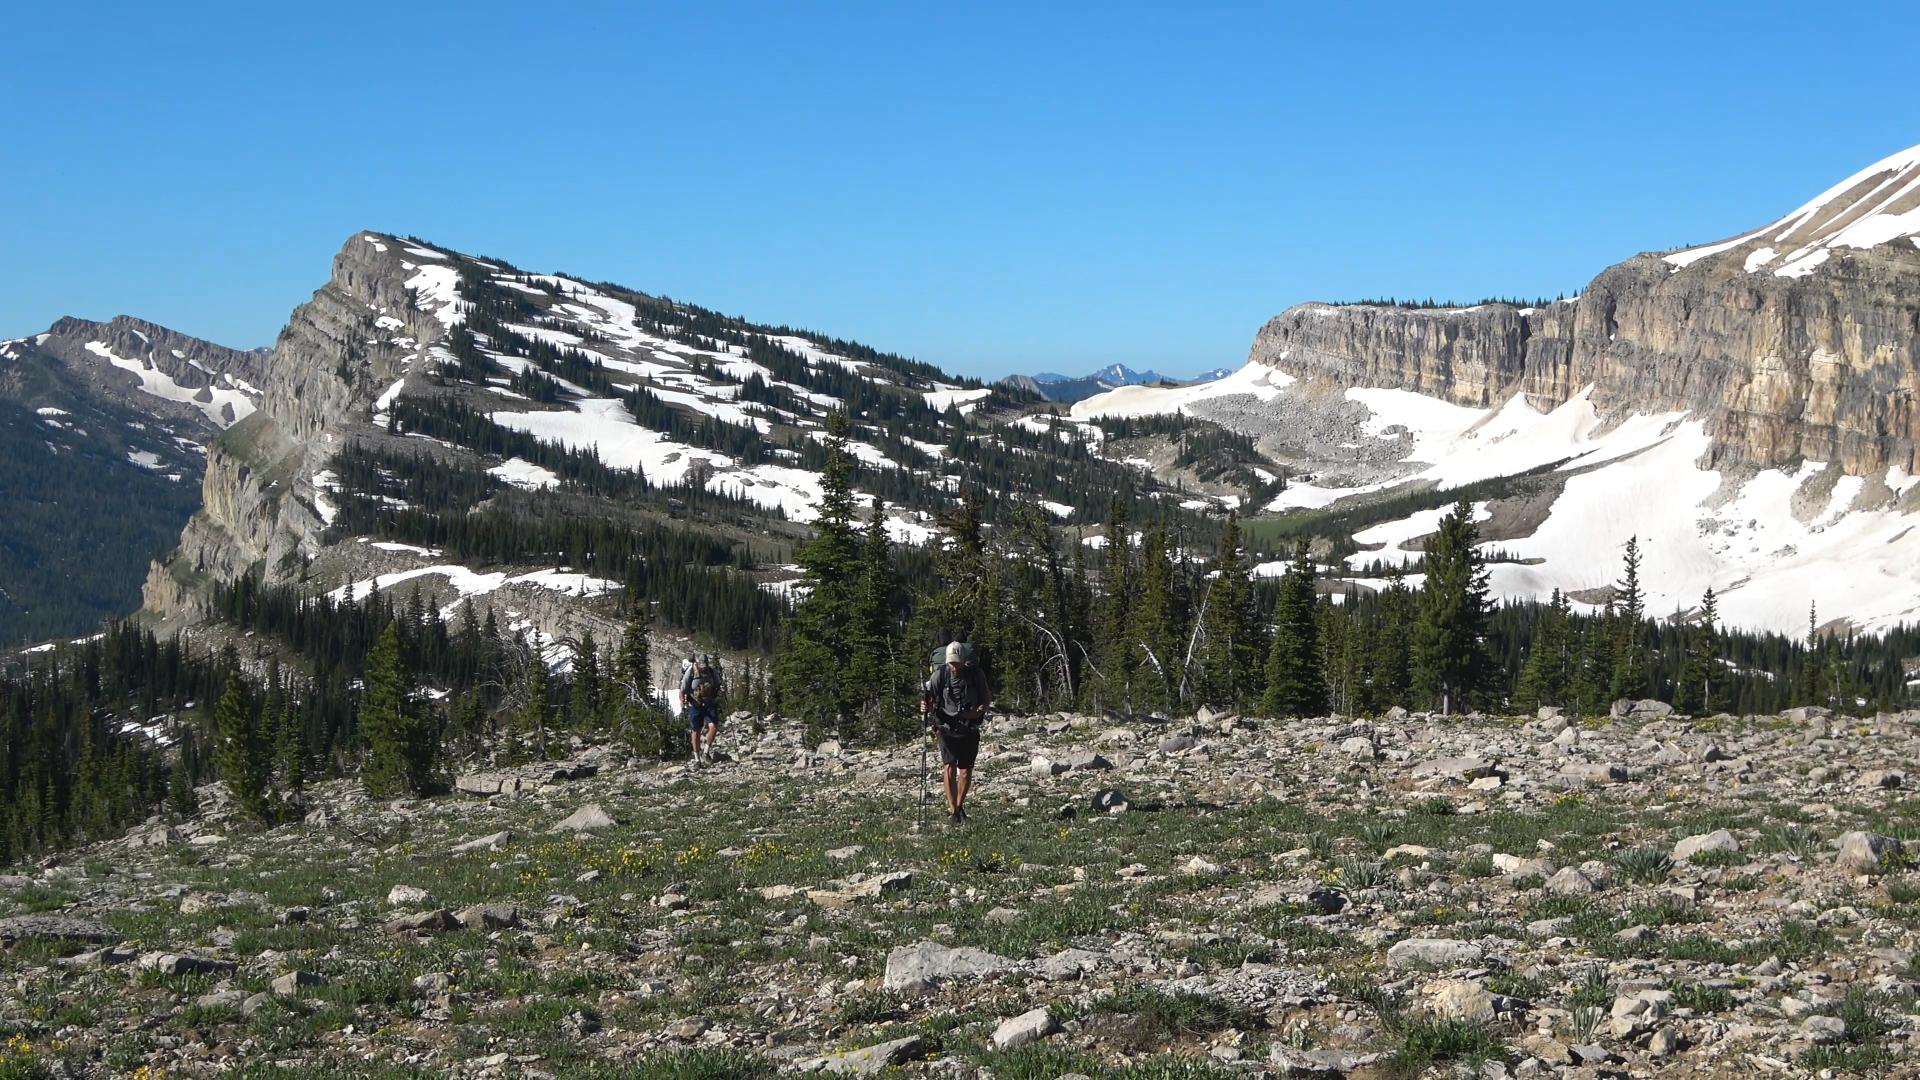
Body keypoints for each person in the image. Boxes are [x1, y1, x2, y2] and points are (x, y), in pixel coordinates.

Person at [921, 641, 992, 824]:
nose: (954, 665)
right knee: (949, 766)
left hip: (969, 726)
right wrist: (925, 707)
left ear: (963, 660)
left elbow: (986, 698)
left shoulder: (975, 674)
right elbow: (930, 701)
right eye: (951, 662)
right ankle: (953, 809)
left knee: (966, 770)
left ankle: (960, 807)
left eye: (957, 662)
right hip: (945, 726)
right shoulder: (940, 675)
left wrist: (978, 711)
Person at [681, 653, 724, 764]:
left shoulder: (712, 671)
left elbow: (717, 684)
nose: (704, 668)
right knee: (696, 730)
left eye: (705, 666)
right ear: (697, 664)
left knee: (713, 726)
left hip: (710, 703)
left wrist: (720, 687)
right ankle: (696, 759)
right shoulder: (690, 672)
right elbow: (683, 689)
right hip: (695, 704)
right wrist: (682, 700)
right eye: (702, 666)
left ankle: (706, 752)